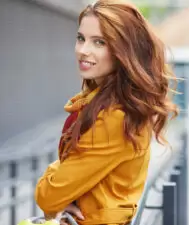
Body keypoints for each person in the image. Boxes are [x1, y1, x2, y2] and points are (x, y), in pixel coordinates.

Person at [34, 0, 179, 224]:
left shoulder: (115, 116)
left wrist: (57, 184)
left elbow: (48, 196)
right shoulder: (114, 104)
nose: (83, 51)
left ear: (124, 50)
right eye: (81, 38)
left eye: (99, 42)